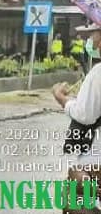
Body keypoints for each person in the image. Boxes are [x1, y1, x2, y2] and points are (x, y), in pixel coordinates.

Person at [52, 22, 101, 213]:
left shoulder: (98, 74)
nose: (94, 44)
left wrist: (63, 99)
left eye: (95, 37)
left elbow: (85, 115)